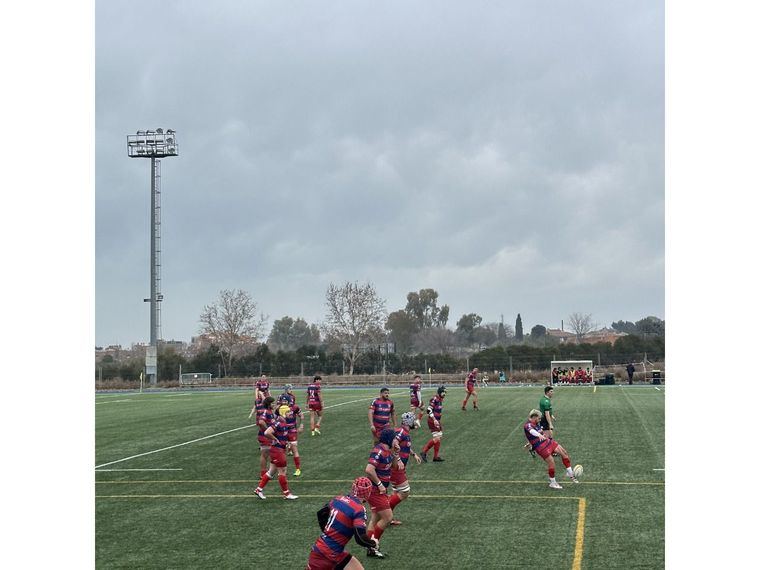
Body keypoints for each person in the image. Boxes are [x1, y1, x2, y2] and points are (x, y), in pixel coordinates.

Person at [307, 477, 379, 569]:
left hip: (323, 550)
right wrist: (373, 543)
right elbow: (360, 538)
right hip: (329, 556)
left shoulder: (338, 499)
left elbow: (321, 513)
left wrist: (328, 533)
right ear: (368, 493)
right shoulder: (359, 509)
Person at [364, 428, 399, 558]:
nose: (396, 440)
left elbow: (395, 467)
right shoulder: (378, 451)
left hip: (380, 490)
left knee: (375, 519)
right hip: (375, 491)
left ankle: (369, 547)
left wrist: (396, 453)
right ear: (390, 439)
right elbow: (369, 469)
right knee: (388, 517)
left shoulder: (388, 451)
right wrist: (379, 484)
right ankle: (374, 545)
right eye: (394, 438)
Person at [524, 409, 578, 489]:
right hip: (540, 446)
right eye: (539, 418)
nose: (540, 420)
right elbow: (532, 432)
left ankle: (570, 474)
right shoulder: (528, 425)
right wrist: (539, 435)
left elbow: (537, 434)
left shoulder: (536, 423)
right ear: (534, 417)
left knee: (564, 452)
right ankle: (553, 483)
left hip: (547, 441)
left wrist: (538, 437)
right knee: (551, 463)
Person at [253, 404, 298, 499]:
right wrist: (275, 439)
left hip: (279, 450)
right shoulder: (278, 423)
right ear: (283, 413)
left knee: (271, 472)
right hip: (277, 450)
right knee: (282, 471)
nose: (290, 413)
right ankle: (287, 494)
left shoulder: (284, 422)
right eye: (288, 411)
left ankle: (258, 489)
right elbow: (267, 432)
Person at [387, 412, 422, 525]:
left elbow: (405, 446)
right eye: (413, 420)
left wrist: (413, 454)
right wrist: (397, 459)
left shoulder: (405, 432)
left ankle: (388, 518)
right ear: (409, 422)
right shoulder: (401, 432)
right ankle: (385, 512)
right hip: (396, 468)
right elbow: (394, 444)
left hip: (398, 467)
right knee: (405, 491)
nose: (415, 422)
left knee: (396, 492)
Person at [421, 386, 447, 462]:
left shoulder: (439, 399)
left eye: (445, 392)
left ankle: (435, 457)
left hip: (436, 420)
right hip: (432, 421)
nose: (444, 394)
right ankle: (424, 452)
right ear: (439, 392)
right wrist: (434, 419)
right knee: (437, 438)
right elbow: (429, 410)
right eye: (443, 392)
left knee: (438, 438)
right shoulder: (435, 399)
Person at [255, 396, 276, 477]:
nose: (274, 404)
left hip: (268, 436)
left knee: (272, 454)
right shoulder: (266, 411)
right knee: (265, 455)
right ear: (268, 404)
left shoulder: (270, 411)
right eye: (272, 403)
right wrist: (268, 431)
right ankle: (263, 474)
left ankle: (270, 472)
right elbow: (261, 422)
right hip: (265, 437)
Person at [286, 400, 305, 476]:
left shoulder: (295, 407)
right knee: (283, 451)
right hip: (282, 431)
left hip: (292, 431)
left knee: (294, 449)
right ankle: (283, 470)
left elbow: (302, 416)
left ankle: (298, 469)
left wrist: (301, 425)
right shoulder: (279, 408)